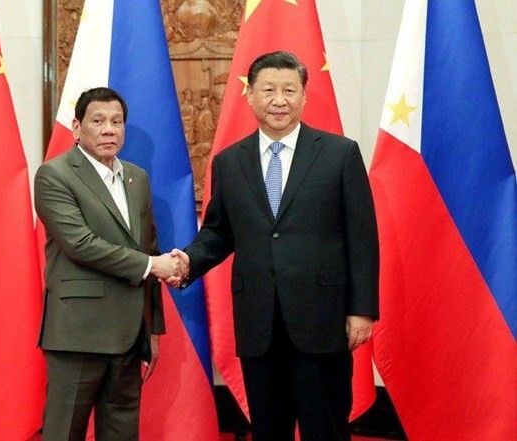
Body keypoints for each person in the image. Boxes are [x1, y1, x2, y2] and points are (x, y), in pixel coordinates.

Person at [170, 51, 379, 441]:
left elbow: (362, 238)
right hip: (259, 320)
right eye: (268, 90)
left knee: (325, 428)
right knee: (268, 428)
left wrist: (362, 309)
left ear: (304, 96)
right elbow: (219, 232)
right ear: (249, 96)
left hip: (323, 319)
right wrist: (186, 262)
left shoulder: (340, 154)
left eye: (288, 90)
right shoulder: (230, 162)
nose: (278, 100)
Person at [34, 87, 181, 441]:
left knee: (121, 433)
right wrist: (152, 265)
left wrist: (153, 328)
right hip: (78, 334)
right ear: (76, 126)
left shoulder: (137, 178)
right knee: (64, 432)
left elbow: (151, 248)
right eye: (97, 121)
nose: (109, 129)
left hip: (129, 334)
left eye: (117, 122)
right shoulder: (54, 175)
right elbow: (81, 244)